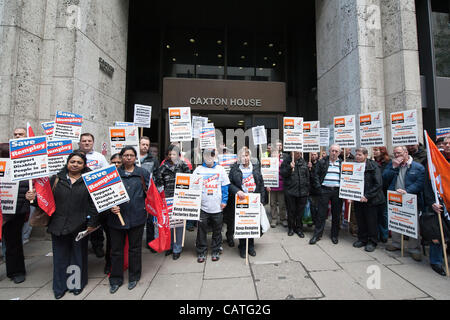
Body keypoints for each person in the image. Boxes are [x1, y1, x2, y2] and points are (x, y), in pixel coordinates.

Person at [28, 151, 99, 299]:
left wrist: (91, 223)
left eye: (79, 162)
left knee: (77, 257)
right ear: (67, 163)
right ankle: (59, 288)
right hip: (58, 225)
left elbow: (94, 204)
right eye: (72, 162)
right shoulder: (55, 179)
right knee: (60, 258)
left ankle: (75, 285)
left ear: (84, 165)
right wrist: (33, 199)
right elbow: (44, 201)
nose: (75, 165)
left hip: (80, 226)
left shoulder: (90, 180)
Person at [108, 147, 150, 294]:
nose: (128, 158)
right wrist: (110, 207)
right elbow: (105, 195)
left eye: (131, 155)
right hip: (116, 219)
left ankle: (134, 276)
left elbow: (149, 194)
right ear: (121, 157)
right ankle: (116, 279)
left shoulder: (143, 173)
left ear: (135, 157)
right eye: (125, 155)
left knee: (135, 249)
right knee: (117, 251)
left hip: (137, 217)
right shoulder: (112, 174)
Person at [0, 142, 35, 285]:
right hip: (5, 211)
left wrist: (30, 197)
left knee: (13, 243)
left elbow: (29, 188)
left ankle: (16, 271)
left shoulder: (23, 169)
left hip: (15, 213)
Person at [384, 146, 425, 261]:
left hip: (410, 199)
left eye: (399, 153)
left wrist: (407, 191)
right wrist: (393, 167)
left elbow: (420, 183)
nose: (397, 155)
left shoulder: (417, 167)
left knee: (412, 224)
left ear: (406, 153)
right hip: (395, 199)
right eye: (395, 153)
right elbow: (385, 177)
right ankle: (396, 243)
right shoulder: (393, 164)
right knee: (396, 221)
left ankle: (414, 249)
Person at [227, 147, 267, 258]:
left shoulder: (255, 168)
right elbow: (230, 184)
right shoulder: (235, 168)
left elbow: (261, 184)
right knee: (242, 224)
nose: (245, 158)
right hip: (241, 201)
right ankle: (242, 247)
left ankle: (251, 247)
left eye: (247, 155)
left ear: (250, 156)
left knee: (252, 223)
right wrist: (237, 191)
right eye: (243, 156)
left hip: (254, 200)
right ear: (239, 157)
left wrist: (262, 200)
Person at [193, 149, 230, 263]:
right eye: (207, 155)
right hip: (203, 207)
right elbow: (193, 187)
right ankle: (201, 251)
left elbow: (225, 187)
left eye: (211, 155)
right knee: (201, 230)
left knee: (217, 230)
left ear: (214, 157)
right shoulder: (198, 170)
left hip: (217, 207)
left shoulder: (220, 169)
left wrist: (224, 201)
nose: (209, 157)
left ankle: (215, 250)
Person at [78, 133, 109, 258]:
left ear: (93, 142)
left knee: (96, 221)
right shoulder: (74, 155)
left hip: (95, 195)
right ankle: (80, 246)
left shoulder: (99, 157)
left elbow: (106, 173)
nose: (86, 143)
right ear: (80, 143)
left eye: (89, 141)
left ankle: (98, 246)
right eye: (84, 141)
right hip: (79, 194)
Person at [159, 144, 191, 260]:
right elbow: (158, 180)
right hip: (167, 199)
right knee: (169, 224)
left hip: (180, 198)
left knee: (179, 224)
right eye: (170, 154)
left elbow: (190, 179)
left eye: (174, 154)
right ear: (167, 155)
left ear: (178, 155)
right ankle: (170, 246)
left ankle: (177, 248)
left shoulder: (183, 165)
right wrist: (161, 191)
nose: (172, 156)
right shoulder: (163, 167)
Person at [351, 148, 385, 252]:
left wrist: (367, 195)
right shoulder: (353, 165)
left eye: (360, 155)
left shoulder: (373, 166)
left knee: (371, 221)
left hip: (371, 200)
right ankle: (362, 239)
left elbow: (378, 184)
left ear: (366, 155)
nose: (357, 157)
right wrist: (349, 193)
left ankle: (372, 241)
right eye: (356, 155)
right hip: (358, 198)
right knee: (360, 220)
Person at [310, 144, 343, 245]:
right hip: (324, 190)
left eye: (336, 151)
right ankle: (317, 235)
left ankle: (334, 235)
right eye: (332, 151)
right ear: (329, 151)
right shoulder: (322, 161)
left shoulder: (343, 163)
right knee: (321, 214)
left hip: (337, 191)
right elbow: (315, 175)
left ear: (339, 153)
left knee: (336, 214)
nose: (334, 153)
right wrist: (319, 188)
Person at [280, 151, 310, 237]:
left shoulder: (303, 162)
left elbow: (307, 176)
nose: (299, 155)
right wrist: (289, 167)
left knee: (300, 212)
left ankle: (299, 229)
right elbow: (283, 174)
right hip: (290, 191)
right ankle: (291, 228)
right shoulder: (286, 161)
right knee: (291, 211)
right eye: (297, 153)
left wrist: (307, 189)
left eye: (300, 153)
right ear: (292, 153)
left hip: (302, 192)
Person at [139, 136, 160, 253]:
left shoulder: (153, 160)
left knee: (150, 218)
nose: (145, 146)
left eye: (147, 145)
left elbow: (157, 175)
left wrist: (156, 191)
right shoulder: (132, 157)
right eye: (143, 144)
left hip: (149, 192)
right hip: (134, 191)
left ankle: (150, 242)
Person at [102, 154, 122, 275]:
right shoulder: (105, 178)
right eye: (114, 162)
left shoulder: (126, 176)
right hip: (109, 215)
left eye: (119, 162)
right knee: (111, 241)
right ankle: (109, 263)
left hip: (124, 214)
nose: (116, 165)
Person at [373, 146, 391, 243]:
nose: (374, 152)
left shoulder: (388, 163)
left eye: (376, 150)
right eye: (374, 150)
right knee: (375, 215)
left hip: (384, 191)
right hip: (374, 193)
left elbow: (385, 176)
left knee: (383, 215)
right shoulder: (372, 161)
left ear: (382, 151)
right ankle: (377, 234)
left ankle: (384, 235)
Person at [268, 148, 287, 228]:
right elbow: (265, 175)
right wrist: (267, 185)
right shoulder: (268, 163)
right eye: (272, 155)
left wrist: (281, 166)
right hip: (272, 187)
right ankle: (274, 219)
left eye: (275, 155)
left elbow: (286, 173)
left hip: (281, 186)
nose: (274, 156)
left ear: (279, 155)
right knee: (272, 204)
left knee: (282, 204)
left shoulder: (283, 163)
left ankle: (283, 219)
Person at [308, 152, 320, 229]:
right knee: (311, 206)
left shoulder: (320, 164)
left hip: (319, 189)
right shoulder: (307, 164)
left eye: (315, 154)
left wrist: (313, 169)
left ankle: (317, 221)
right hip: (310, 189)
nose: (313, 156)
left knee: (318, 207)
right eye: (312, 154)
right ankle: (311, 220)